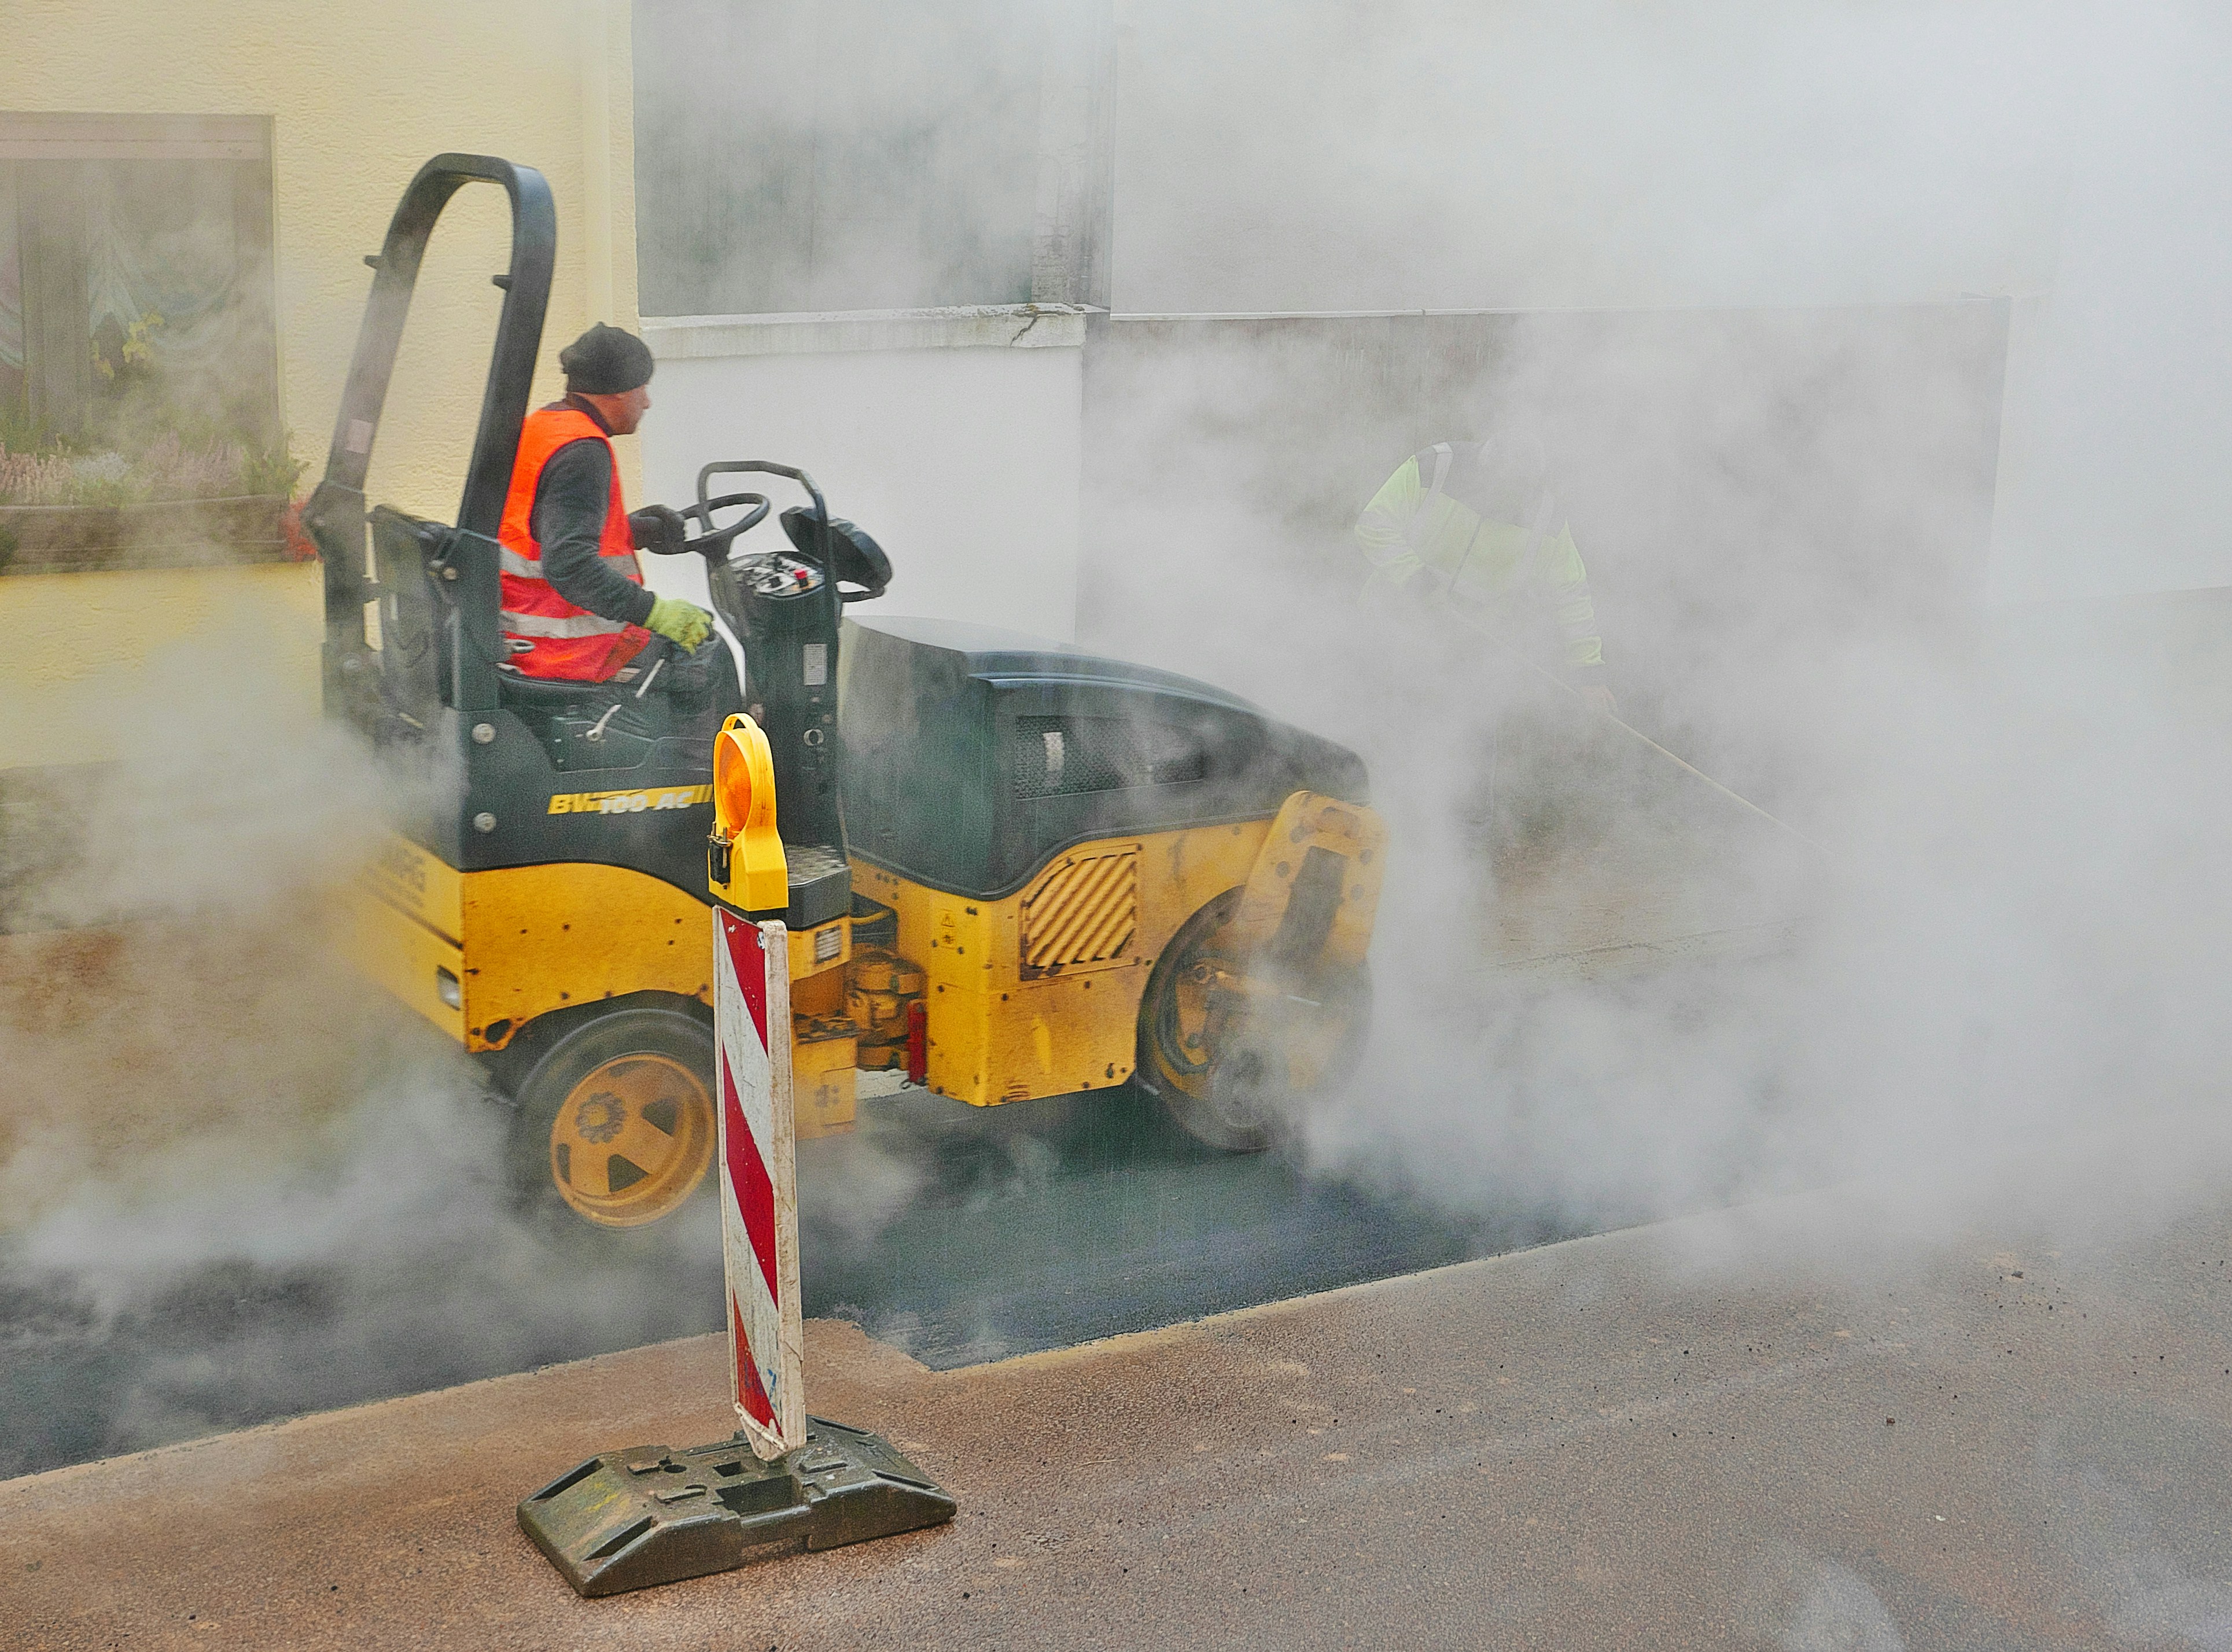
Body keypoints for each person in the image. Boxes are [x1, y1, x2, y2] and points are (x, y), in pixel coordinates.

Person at [496, 322, 716, 682]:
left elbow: (542, 530)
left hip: (517, 628)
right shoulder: (584, 451)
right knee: (706, 656)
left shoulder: (543, 427)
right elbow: (570, 564)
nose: (647, 402)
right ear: (617, 393)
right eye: (642, 388)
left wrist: (637, 531)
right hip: (563, 651)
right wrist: (655, 612)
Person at [1353, 426, 1616, 716]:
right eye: (1499, 488)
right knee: (1368, 722)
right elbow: (1374, 525)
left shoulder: (1546, 518)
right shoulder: (1436, 467)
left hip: (1465, 658)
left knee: (1445, 741)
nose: (1504, 503)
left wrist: (1589, 672)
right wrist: (1418, 581)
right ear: (1481, 468)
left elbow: (1571, 593)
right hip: (1387, 626)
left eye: (1516, 494)